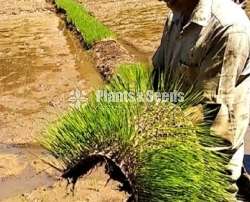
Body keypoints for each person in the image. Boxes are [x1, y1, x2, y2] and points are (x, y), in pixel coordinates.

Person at [153, 0, 250, 197]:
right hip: (176, 146)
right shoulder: (175, 17)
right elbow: (157, 78)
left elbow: (214, 124)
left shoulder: (228, 28)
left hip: (210, 164)